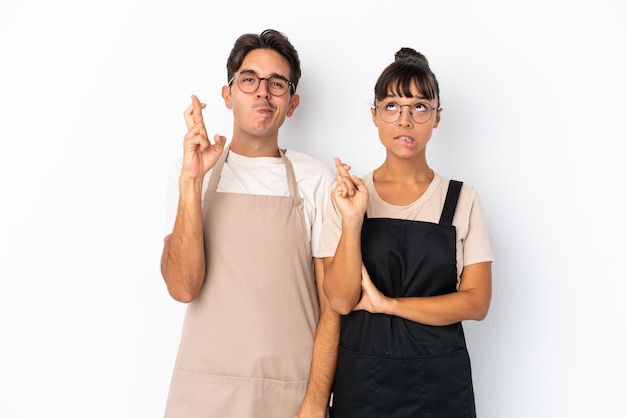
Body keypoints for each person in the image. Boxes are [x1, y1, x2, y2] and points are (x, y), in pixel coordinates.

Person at [160, 29, 339, 418]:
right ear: (228, 95)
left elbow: (332, 306)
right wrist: (192, 181)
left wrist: (314, 403)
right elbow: (182, 286)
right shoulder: (190, 173)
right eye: (249, 80)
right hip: (204, 393)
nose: (263, 92)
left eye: (277, 84)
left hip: (290, 394)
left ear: (292, 104)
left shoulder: (315, 179)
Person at [318, 47, 493, 417]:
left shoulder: (462, 199)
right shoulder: (348, 196)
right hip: (364, 383)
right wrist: (352, 221)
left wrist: (389, 305)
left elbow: (476, 302)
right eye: (392, 106)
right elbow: (340, 299)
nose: (405, 120)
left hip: (440, 386)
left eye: (419, 107)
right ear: (375, 116)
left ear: (436, 118)